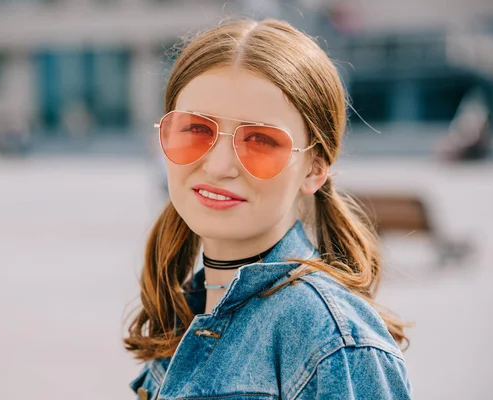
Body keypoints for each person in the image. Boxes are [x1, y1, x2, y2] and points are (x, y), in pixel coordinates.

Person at [124, 18, 413, 399]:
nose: (218, 166)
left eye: (260, 140)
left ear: (315, 170)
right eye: (195, 129)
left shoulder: (328, 339)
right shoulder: (184, 313)